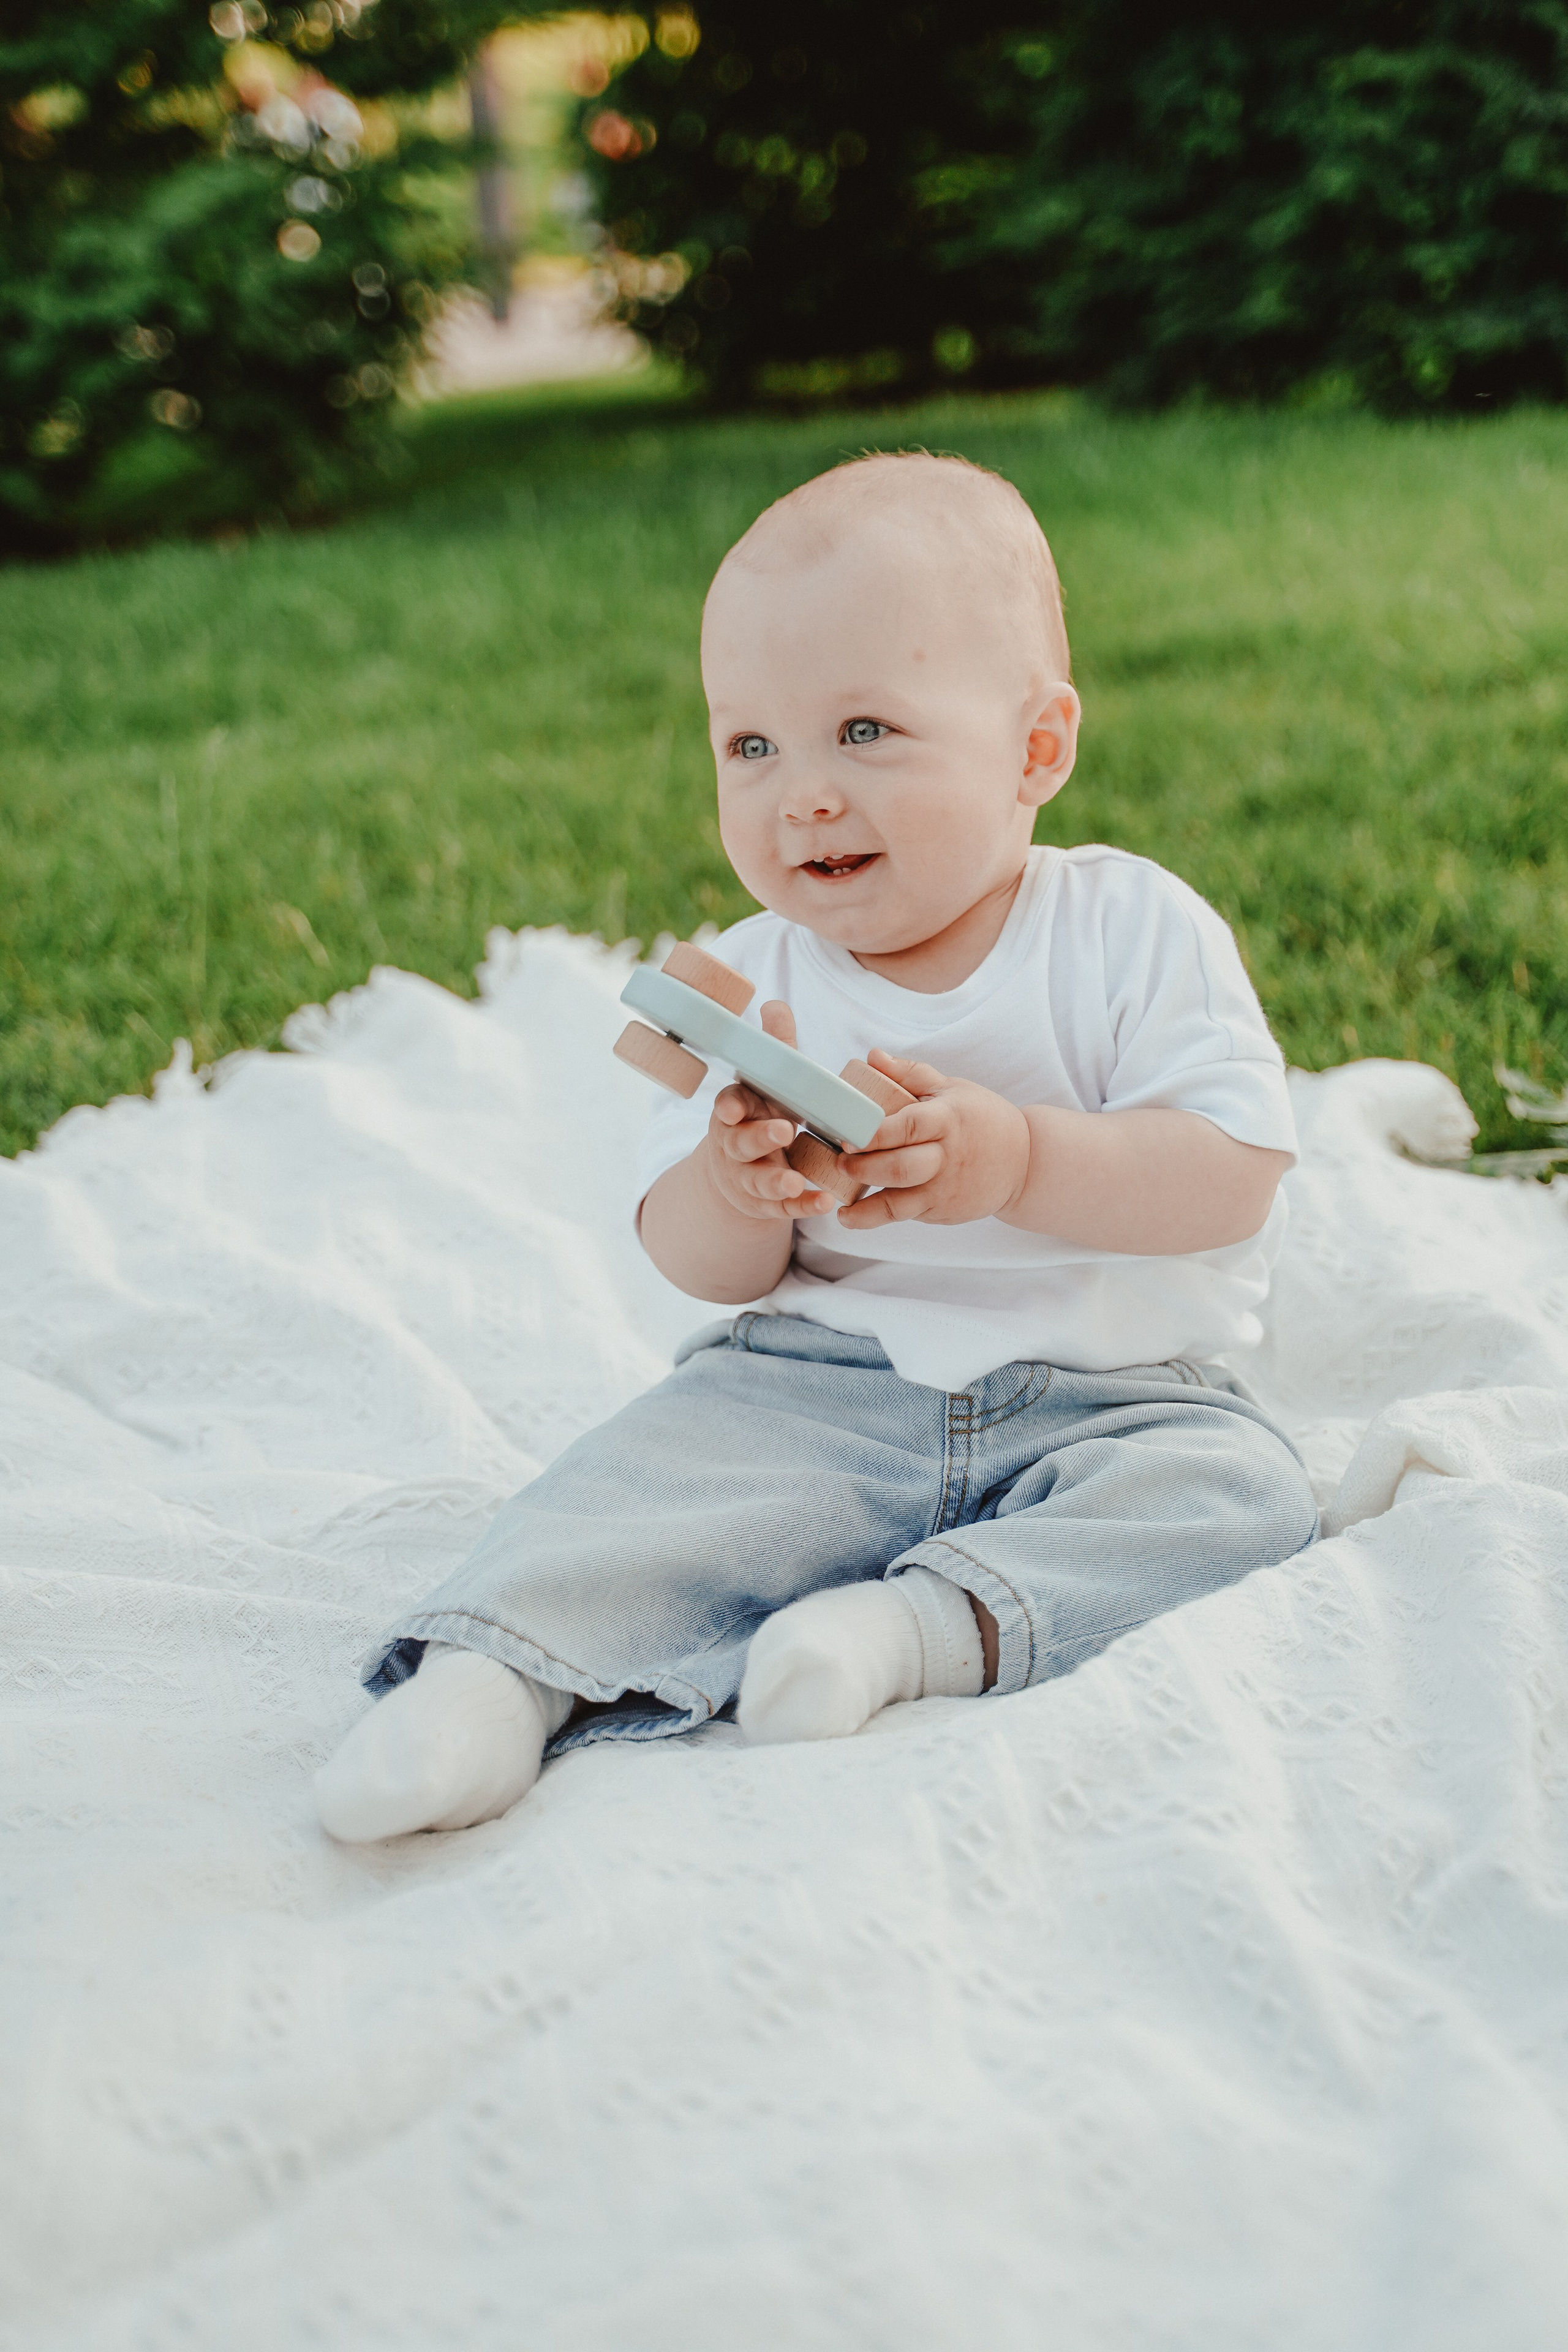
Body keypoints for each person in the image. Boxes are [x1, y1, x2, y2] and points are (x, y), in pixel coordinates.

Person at [315, 451, 1318, 1843]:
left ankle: (907, 1631)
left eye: (862, 731)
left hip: (1111, 1394)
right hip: (816, 1386)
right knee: (640, 1486)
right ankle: (492, 1677)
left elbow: (1230, 1174)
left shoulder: (1129, 929)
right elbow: (691, 1263)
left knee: (1243, 1502)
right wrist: (736, 1191)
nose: (801, 796)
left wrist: (1020, 1160)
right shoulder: (745, 983)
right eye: (751, 746)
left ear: (1036, 748)